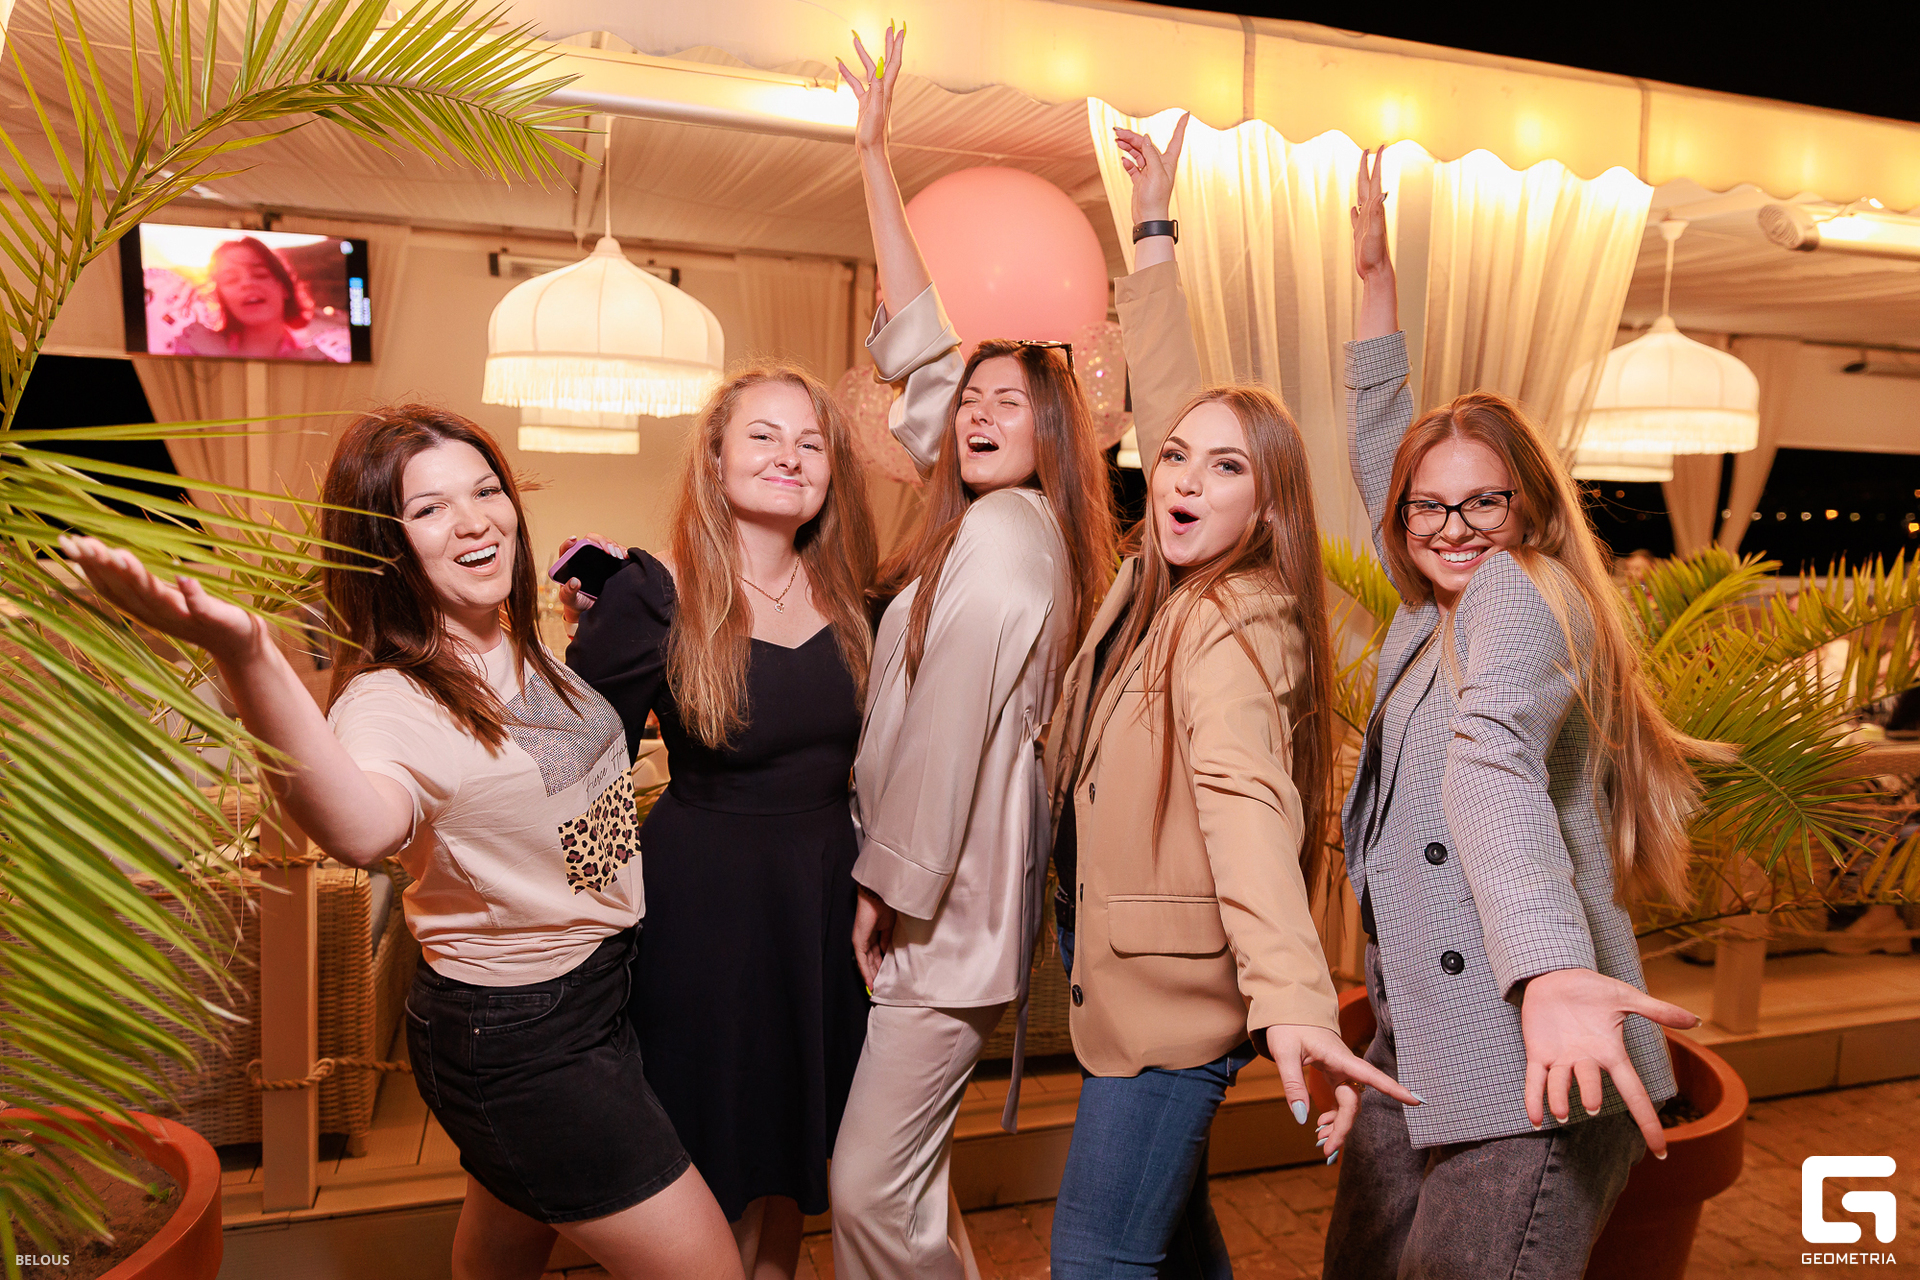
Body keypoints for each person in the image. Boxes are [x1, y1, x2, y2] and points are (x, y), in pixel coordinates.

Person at [59, 407, 740, 1280]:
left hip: (598, 990)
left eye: (486, 491)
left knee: (503, 1248)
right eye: (429, 510)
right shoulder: (390, 700)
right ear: (384, 546)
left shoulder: (518, 645)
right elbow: (361, 827)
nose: (474, 522)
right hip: (524, 1033)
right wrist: (248, 656)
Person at [1034, 115, 1418, 1280]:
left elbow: (1248, 806)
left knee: (1096, 1259)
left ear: (1270, 508)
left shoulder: (1238, 621)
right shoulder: (1168, 573)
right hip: (1123, 964)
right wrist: (1154, 227)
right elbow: (1173, 398)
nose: (1186, 478)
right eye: (1176, 457)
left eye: (1227, 467)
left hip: (1175, 1000)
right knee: (1175, 1240)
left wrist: (1295, 998)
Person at [1322, 149, 1712, 1278]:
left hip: (1525, 1049)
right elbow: (1384, 451)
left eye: (1482, 500)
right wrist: (1374, 288)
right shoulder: (1428, 611)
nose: (1451, 527)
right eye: (1427, 507)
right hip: (1423, 1042)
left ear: (1529, 505)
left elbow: (1490, 763)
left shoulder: (1518, 589)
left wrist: (1545, 970)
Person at [828, 25, 1118, 1279]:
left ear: (1056, 435)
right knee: (914, 1188)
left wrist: (886, 885)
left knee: (866, 1189)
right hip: (954, 905)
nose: (981, 411)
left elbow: (947, 728)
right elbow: (921, 347)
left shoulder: (1005, 535)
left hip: (939, 912)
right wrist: (874, 155)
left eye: (1014, 402)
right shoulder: (997, 519)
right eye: (975, 402)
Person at [562, 363, 878, 1280]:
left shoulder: (861, 604)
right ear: (714, 458)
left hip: (823, 911)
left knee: (789, 1159)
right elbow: (576, 773)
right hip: (702, 921)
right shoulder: (652, 594)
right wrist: (586, 926)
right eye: (763, 436)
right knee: (711, 1159)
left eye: (811, 443)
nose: (789, 457)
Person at [171, 235, 330, 360]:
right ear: (221, 296)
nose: (247, 284)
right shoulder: (193, 348)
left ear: (284, 287)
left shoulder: (314, 360)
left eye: (260, 274)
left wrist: (224, 356)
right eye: (231, 279)